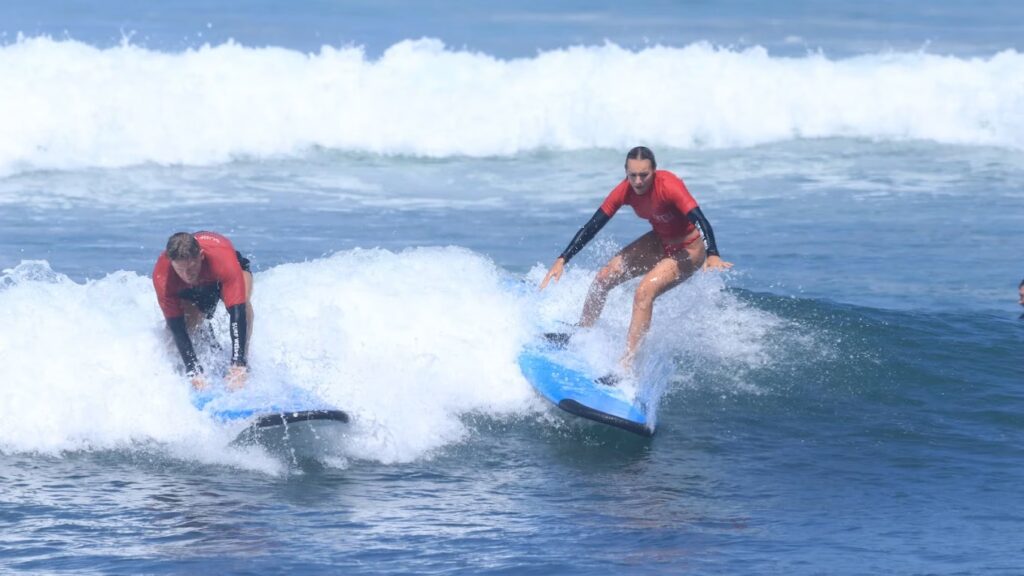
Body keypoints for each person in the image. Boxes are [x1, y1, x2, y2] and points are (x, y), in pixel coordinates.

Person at [539, 146, 732, 373]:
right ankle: (582, 333)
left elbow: (700, 219)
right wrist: (564, 258)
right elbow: (593, 225)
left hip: (689, 248)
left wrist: (713, 253)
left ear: (654, 171)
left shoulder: (669, 185)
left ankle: (627, 364)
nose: (638, 181)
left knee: (643, 292)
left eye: (644, 175)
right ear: (626, 173)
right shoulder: (624, 190)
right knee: (603, 277)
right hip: (661, 240)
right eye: (633, 175)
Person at [153, 231, 254, 390]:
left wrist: (238, 363)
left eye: (191, 268)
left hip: (223, 273)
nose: (187, 274)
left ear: (200, 256)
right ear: (171, 262)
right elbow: (176, 326)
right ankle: (191, 366)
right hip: (191, 288)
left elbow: (237, 312)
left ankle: (242, 366)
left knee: (245, 305)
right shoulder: (163, 274)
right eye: (181, 269)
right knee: (185, 325)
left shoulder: (223, 260)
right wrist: (192, 369)